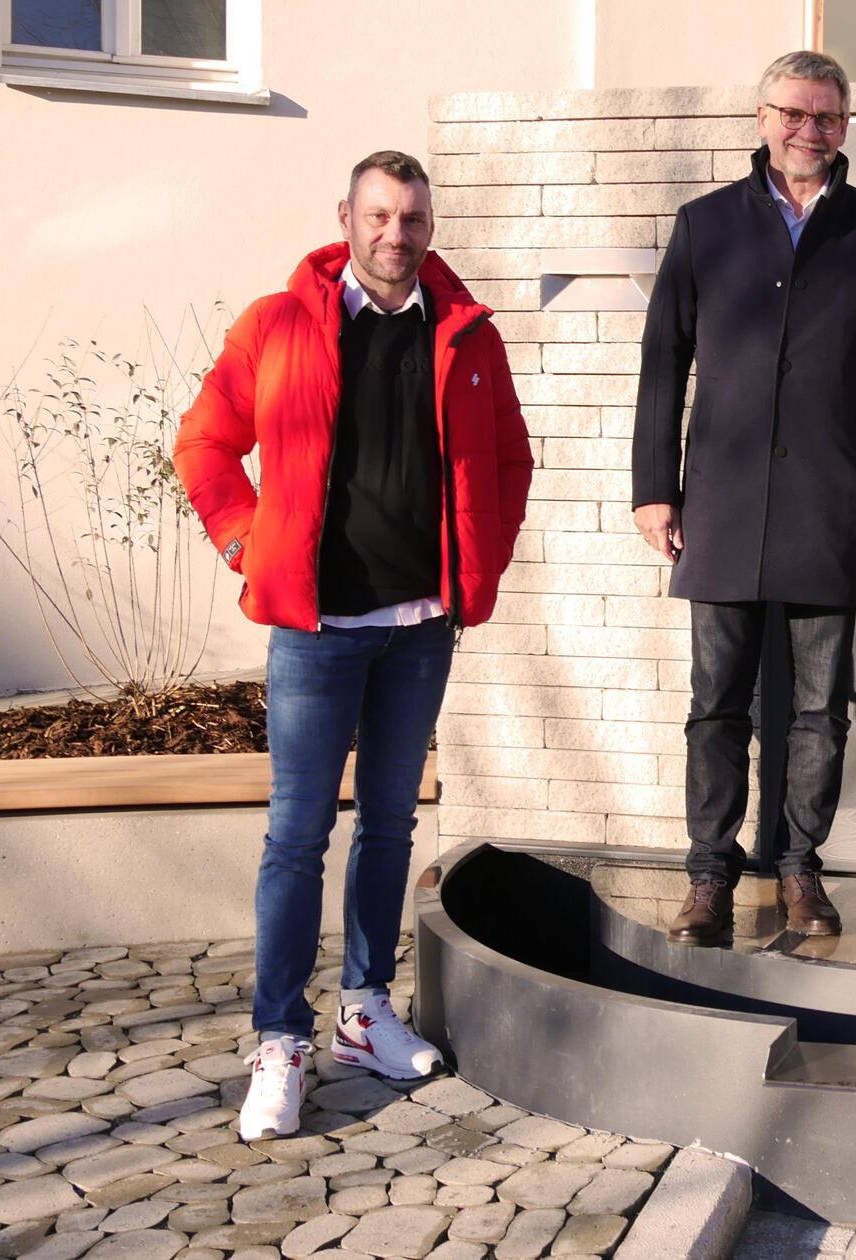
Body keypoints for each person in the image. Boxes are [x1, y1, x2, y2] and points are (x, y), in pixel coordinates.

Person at [175, 150, 534, 1140]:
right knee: (296, 837)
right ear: (347, 217)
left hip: (418, 630)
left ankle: (365, 1012)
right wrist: (246, 539)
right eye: (379, 216)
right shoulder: (280, 324)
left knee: (388, 827)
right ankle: (278, 1039)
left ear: (429, 226)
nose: (396, 234)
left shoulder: (463, 333)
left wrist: (479, 568)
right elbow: (202, 442)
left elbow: (509, 455)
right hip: (317, 633)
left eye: (412, 218)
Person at [632, 50, 856, 946]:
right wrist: (655, 488)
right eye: (794, 115)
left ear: (846, 126)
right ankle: (708, 876)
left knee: (819, 708)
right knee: (715, 701)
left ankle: (801, 866)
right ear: (761, 118)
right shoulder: (705, 225)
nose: (810, 132)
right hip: (719, 502)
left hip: (832, 504)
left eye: (828, 118)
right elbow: (661, 362)